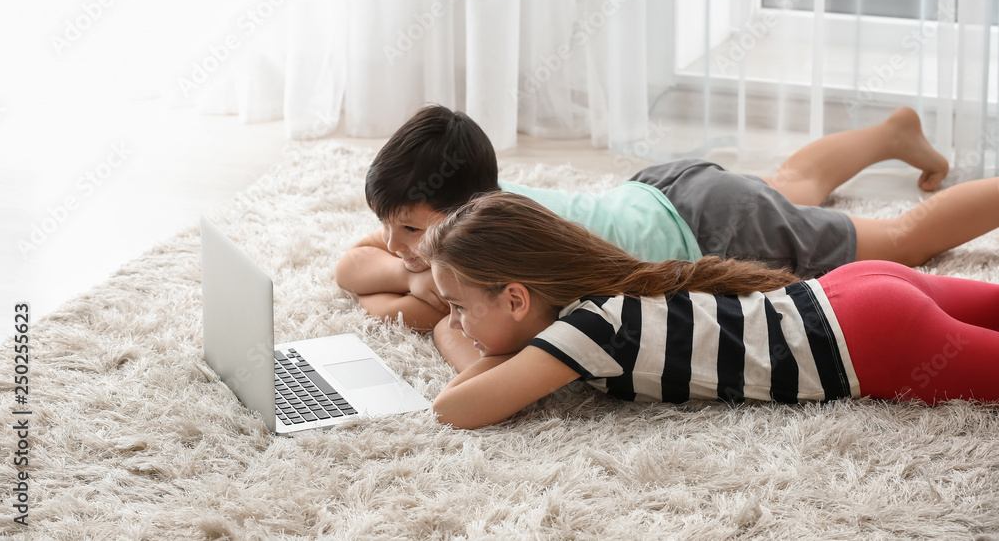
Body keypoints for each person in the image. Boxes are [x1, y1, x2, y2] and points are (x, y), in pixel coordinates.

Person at [334, 104, 999, 367]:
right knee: (789, 184)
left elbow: (446, 330)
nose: (398, 245)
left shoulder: (491, 248)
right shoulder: (463, 226)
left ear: (467, 207)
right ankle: (890, 135)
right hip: (668, 192)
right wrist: (409, 278)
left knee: (904, 238)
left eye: (413, 229)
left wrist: (409, 293)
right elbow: (352, 269)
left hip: (708, 225)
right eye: (391, 226)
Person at [418, 192, 999, 430]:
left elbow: (455, 409)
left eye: (460, 306)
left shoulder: (584, 330)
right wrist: (481, 330)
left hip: (870, 342)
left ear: (516, 298)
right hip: (851, 290)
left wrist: (460, 343)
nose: (457, 319)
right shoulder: (609, 292)